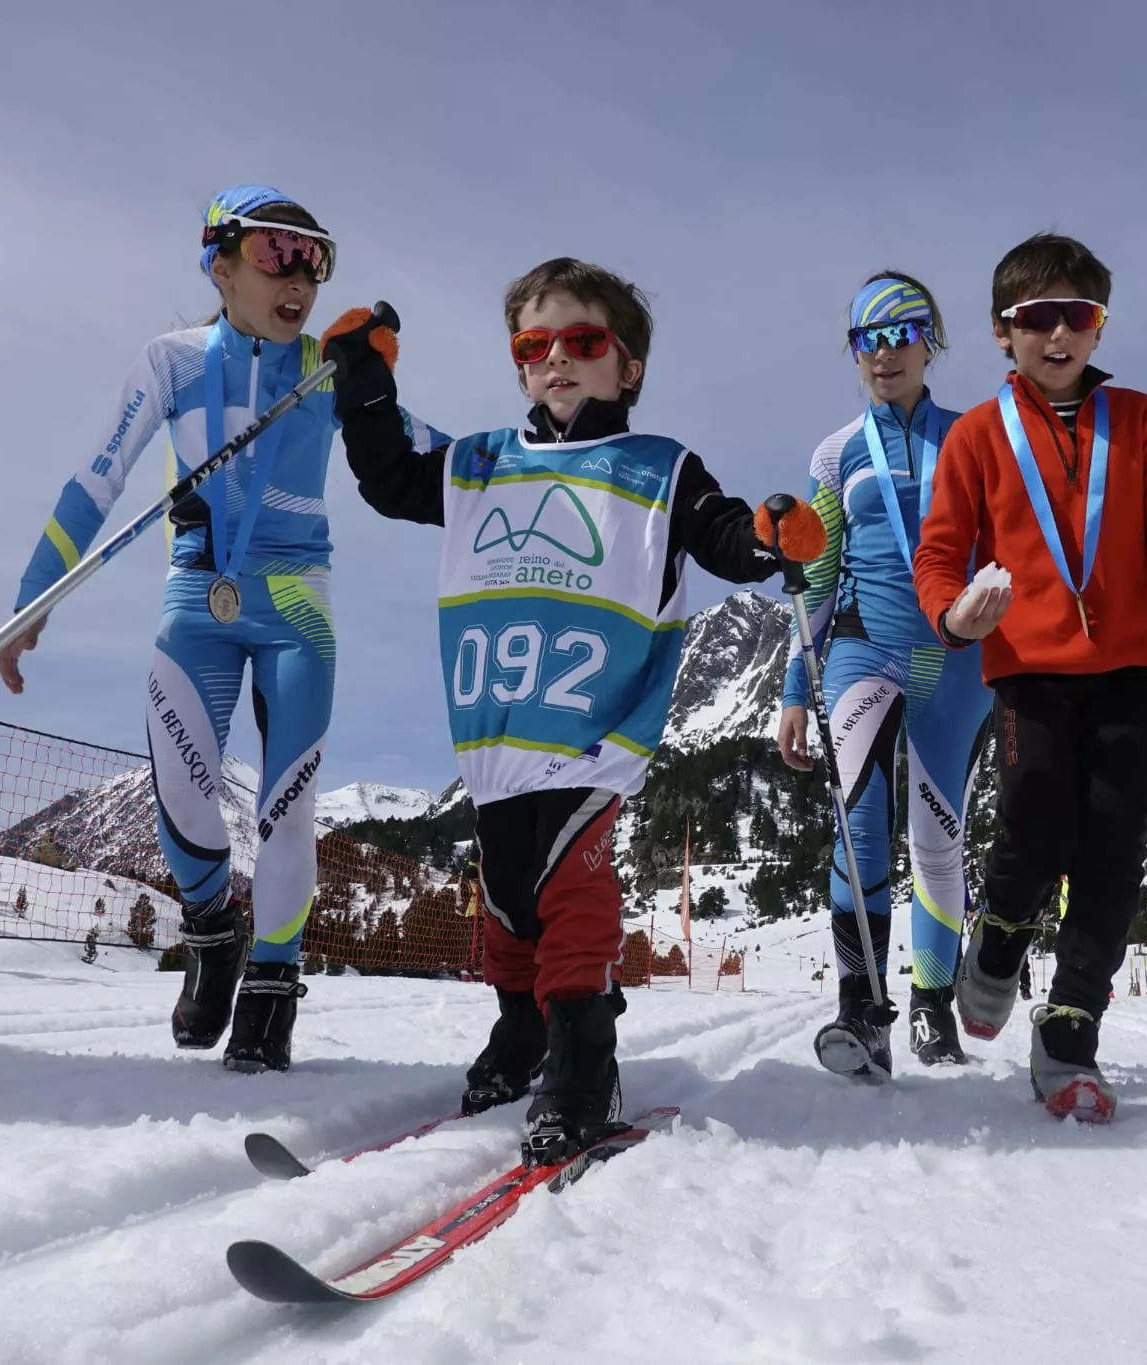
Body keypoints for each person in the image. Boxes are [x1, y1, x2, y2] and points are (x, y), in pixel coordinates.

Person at [326, 257, 814, 1163]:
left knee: (573, 890)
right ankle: (522, 1028)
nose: (556, 359)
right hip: (497, 725)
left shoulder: (657, 467)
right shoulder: (479, 465)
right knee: (509, 900)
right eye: (533, 345)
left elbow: (718, 530)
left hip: (595, 727)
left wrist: (765, 539)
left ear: (626, 367)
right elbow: (391, 479)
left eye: (583, 341)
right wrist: (363, 382)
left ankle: (585, 1050)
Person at [0, 186, 431, 1072]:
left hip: (297, 603)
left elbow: (429, 447)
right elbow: (96, 480)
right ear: (220, 262)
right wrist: (37, 592)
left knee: (288, 804)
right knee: (185, 795)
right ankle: (211, 932)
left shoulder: (326, 366)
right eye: (277, 251)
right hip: (197, 594)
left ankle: (274, 978)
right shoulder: (173, 362)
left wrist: (540, 463)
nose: (300, 274)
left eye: (317, 256)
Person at [913, 233, 1147, 1122]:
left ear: (1098, 326)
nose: (1058, 334)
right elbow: (939, 553)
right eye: (1036, 318)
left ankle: (1070, 1032)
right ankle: (1000, 936)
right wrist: (952, 613)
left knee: (1112, 848)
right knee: (1037, 812)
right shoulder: (978, 434)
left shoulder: (1141, 419)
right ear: (1002, 333)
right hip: (1028, 670)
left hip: (1131, 666)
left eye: (1077, 316)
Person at [776, 273, 988, 1077]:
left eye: (903, 333)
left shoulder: (975, 438)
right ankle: (861, 1012)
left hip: (956, 658)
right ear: (853, 352)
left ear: (930, 341)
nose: (885, 352)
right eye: (869, 338)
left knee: (937, 838)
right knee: (858, 826)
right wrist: (797, 690)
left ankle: (933, 1010)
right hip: (864, 650)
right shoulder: (835, 454)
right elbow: (816, 578)